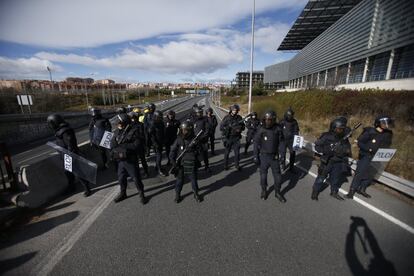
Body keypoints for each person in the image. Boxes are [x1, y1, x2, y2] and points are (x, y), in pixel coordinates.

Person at [345, 115, 393, 199]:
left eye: (387, 123)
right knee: (359, 173)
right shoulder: (369, 131)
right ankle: (351, 191)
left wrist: (387, 153)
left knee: (371, 174)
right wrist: (369, 149)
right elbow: (359, 142)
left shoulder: (388, 134)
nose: (386, 125)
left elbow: (387, 145)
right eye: (384, 123)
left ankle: (362, 189)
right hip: (366, 155)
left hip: (378, 157)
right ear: (378, 123)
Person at [47, 114, 92, 197]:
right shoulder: (60, 130)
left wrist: (71, 157)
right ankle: (72, 188)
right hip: (65, 155)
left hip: (70, 155)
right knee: (68, 173)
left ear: (55, 122)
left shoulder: (65, 131)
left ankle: (87, 189)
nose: (50, 126)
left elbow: (71, 144)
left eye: (51, 123)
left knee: (78, 173)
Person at [311, 118, 352, 201]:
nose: (341, 131)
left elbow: (348, 149)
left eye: (342, 129)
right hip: (327, 161)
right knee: (321, 178)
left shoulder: (344, 138)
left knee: (336, 179)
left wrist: (343, 150)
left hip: (338, 162)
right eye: (339, 129)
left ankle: (334, 192)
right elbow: (317, 146)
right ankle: (315, 192)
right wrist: (327, 150)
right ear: (333, 128)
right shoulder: (326, 136)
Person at [110, 113, 146, 204]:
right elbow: (112, 145)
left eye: (120, 122)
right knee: (121, 178)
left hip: (130, 160)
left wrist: (123, 146)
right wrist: (114, 151)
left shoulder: (134, 131)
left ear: (124, 122)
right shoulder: (116, 132)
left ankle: (141, 194)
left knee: (136, 178)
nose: (118, 124)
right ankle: (123, 193)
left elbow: (136, 145)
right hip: (120, 160)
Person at [253, 110, 285, 202]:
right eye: (266, 120)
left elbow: (282, 142)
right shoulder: (261, 129)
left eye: (270, 120)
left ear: (274, 120)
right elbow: (256, 142)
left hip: (274, 157)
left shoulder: (278, 129)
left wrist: (282, 155)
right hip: (264, 156)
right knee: (263, 176)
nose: (268, 122)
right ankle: (264, 190)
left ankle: (277, 192)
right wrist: (255, 155)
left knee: (278, 177)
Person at [169, 121, 202, 203]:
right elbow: (172, 151)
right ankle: (177, 194)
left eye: (186, 130)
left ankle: (196, 193)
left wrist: (195, 146)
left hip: (191, 162)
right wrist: (174, 162)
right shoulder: (178, 139)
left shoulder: (195, 139)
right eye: (183, 130)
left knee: (193, 179)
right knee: (180, 180)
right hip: (180, 164)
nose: (185, 132)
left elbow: (200, 151)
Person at [220, 104, 245, 171]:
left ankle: (237, 165)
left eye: (236, 110)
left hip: (236, 138)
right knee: (227, 152)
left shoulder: (239, 118)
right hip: (228, 137)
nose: (235, 111)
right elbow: (221, 127)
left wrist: (240, 129)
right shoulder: (227, 118)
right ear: (231, 110)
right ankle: (225, 165)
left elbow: (243, 127)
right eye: (234, 110)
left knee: (237, 153)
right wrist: (228, 128)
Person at [189, 107, 211, 172]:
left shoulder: (205, 119)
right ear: (195, 113)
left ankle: (207, 166)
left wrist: (202, 137)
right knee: (194, 154)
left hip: (203, 140)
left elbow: (207, 129)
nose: (200, 114)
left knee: (205, 154)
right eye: (199, 113)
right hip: (194, 140)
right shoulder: (192, 120)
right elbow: (189, 130)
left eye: (201, 112)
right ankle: (196, 166)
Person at [129, 111, 149, 178]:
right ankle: (138, 172)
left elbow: (142, 135)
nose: (132, 119)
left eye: (133, 118)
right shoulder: (130, 125)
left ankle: (146, 172)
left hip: (139, 144)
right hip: (133, 144)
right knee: (135, 160)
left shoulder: (140, 125)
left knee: (142, 159)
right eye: (131, 118)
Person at [150, 110, 166, 176]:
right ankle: (159, 169)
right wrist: (155, 143)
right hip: (156, 143)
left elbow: (163, 132)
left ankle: (157, 167)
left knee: (159, 155)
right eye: (159, 117)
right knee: (159, 156)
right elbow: (152, 135)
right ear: (156, 117)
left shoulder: (161, 123)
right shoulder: (153, 124)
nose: (161, 118)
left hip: (161, 141)